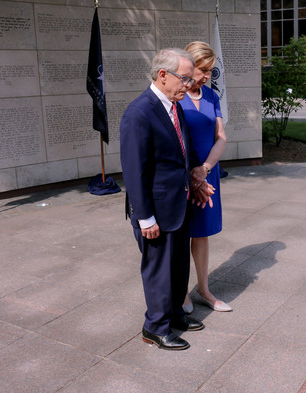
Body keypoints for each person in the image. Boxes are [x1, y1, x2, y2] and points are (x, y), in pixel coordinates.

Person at [120, 48, 214, 351]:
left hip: (179, 203)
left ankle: (174, 315)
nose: (188, 85)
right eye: (184, 79)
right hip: (155, 210)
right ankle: (155, 327)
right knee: (159, 270)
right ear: (163, 75)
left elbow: (185, 151)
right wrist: (145, 217)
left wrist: (197, 179)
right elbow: (135, 171)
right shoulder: (139, 112)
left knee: (176, 266)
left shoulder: (174, 106)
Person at [180, 41, 232, 313]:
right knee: (180, 233)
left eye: (210, 71)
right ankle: (181, 293)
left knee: (201, 234)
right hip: (183, 176)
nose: (206, 76)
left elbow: (221, 137)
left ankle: (203, 289)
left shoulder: (211, 96)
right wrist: (192, 172)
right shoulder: (176, 95)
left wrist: (206, 169)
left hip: (207, 175)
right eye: (202, 70)